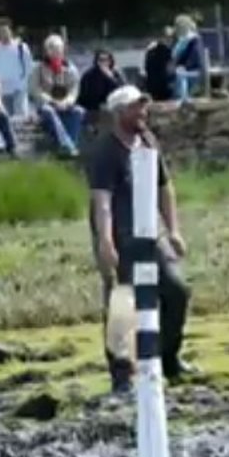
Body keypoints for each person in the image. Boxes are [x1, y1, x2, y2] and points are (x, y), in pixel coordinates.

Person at [88, 85, 194, 394]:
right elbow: (102, 201)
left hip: (150, 233)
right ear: (120, 113)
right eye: (137, 108)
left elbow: (165, 188)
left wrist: (173, 229)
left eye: (144, 106)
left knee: (176, 292)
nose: (143, 112)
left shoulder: (148, 142)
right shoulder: (106, 151)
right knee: (122, 302)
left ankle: (168, 358)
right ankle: (122, 375)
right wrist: (105, 242)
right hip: (120, 236)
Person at [29, 34, 84, 158]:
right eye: (52, 49)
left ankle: (70, 145)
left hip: (64, 104)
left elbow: (74, 89)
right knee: (48, 111)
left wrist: (67, 102)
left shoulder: (71, 69)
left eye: (59, 49)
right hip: (46, 105)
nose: (56, 52)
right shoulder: (38, 68)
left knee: (78, 111)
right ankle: (67, 145)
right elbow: (34, 89)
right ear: (47, 51)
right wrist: (51, 101)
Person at [0, 20, 33, 119]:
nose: (3, 34)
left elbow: (29, 67)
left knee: (21, 118)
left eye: (5, 31)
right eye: (0, 32)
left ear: (11, 31)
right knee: (5, 119)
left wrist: (24, 83)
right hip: (1, 90)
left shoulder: (21, 47)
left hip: (18, 89)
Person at [78, 49, 125, 114]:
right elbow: (85, 96)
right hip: (93, 108)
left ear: (110, 61)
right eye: (101, 60)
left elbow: (122, 90)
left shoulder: (116, 73)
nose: (104, 62)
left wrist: (111, 78)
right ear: (97, 61)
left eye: (106, 60)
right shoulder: (89, 75)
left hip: (112, 106)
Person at [172, 14, 205, 101]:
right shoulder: (181, 40)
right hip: (185, 70)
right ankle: (179, 98)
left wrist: (184, 67)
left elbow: (196, 59)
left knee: (181, 74)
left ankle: (183, 99)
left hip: (195, 71)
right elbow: (175, 56)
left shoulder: (194, 40)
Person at [144, 27, 176, 102]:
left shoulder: (150, 51)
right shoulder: (168, 52)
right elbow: (170, 70)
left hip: (151, 87)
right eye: (170, 38)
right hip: (164, 88)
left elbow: (146, 67)